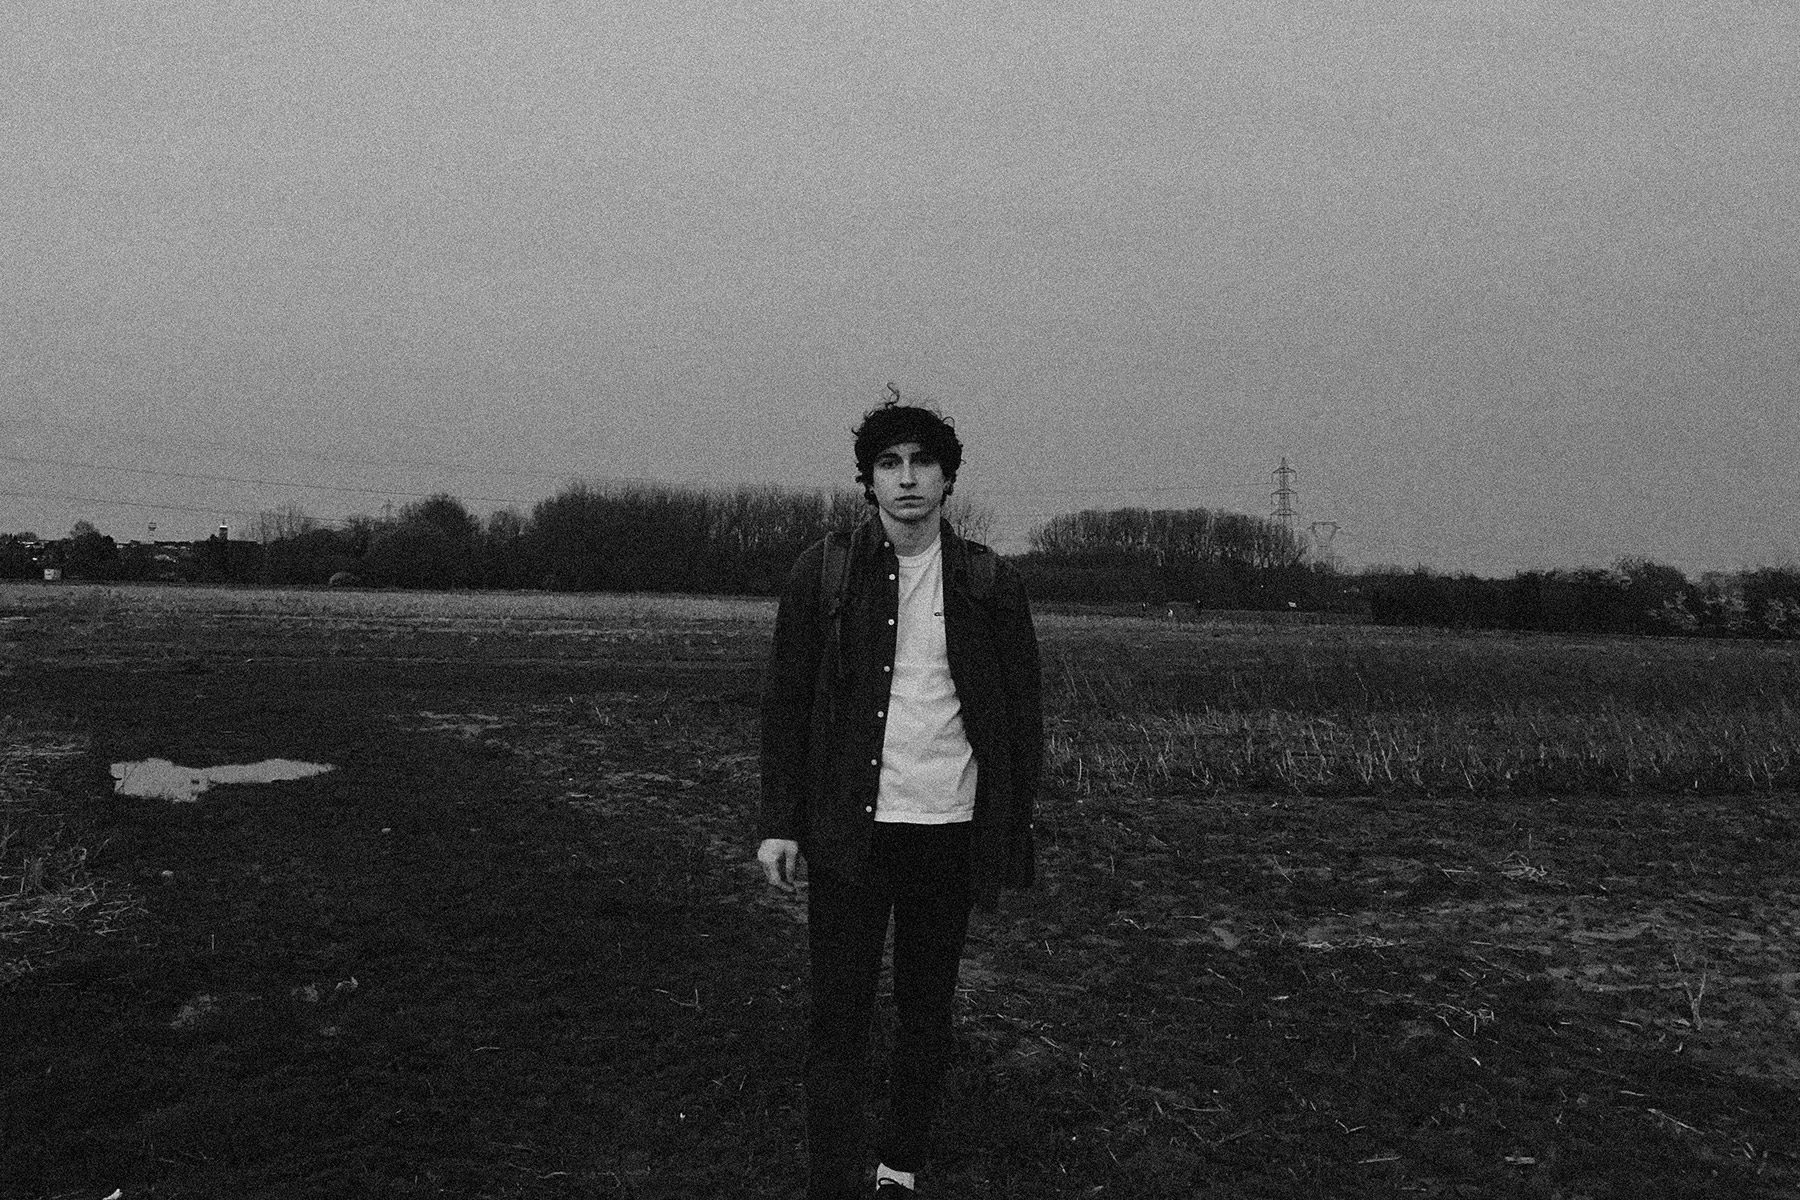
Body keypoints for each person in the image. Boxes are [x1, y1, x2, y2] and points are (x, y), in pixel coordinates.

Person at [758, 398, 1043, 1199]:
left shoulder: (991, 582)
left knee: (927, 1008)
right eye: (890, 464)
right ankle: (830, 1176)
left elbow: (1022, 718)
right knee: (838, 1014)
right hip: (852, 832)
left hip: (949, 827)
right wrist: (780, 823)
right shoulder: (823, 572)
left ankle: (900, 1166)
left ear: (949, 478)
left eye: (923, 462)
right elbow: (786, 702)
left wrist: (1012, 828)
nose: (908, 478)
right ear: (869, 481)